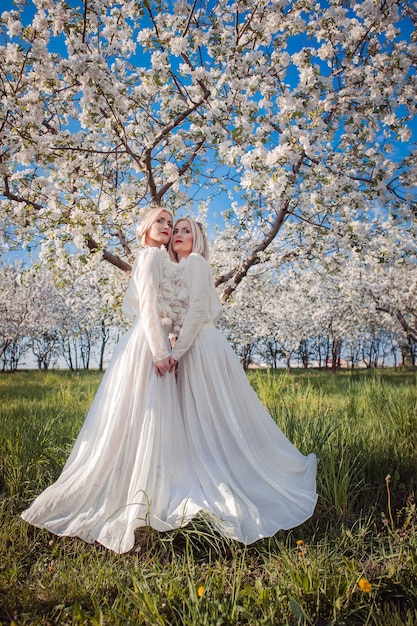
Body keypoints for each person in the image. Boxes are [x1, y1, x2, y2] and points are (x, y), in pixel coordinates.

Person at [21, 207, 204, 554]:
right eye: (160, 221)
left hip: (159, 342)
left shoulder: (161, 259)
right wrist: (159, 352)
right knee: (146, 414)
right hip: (149, 346)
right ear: (146, 228)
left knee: (149, 416)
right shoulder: (150, 256)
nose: (166, 227)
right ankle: (137, 490)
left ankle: (151, 485)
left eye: (171, 222)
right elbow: (148, 307)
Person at [169, 217, 318, 543]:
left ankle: (227, 479)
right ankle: (202, 473)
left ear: (198, 240)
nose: (179, 235)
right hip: (190, 346)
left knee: (211, 418)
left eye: (187, 231)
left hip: (200, 349)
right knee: (196, 418)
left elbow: (195, 312)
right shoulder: (177, 270)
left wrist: (175, 353)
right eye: (176, 230)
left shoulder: (195, 263)